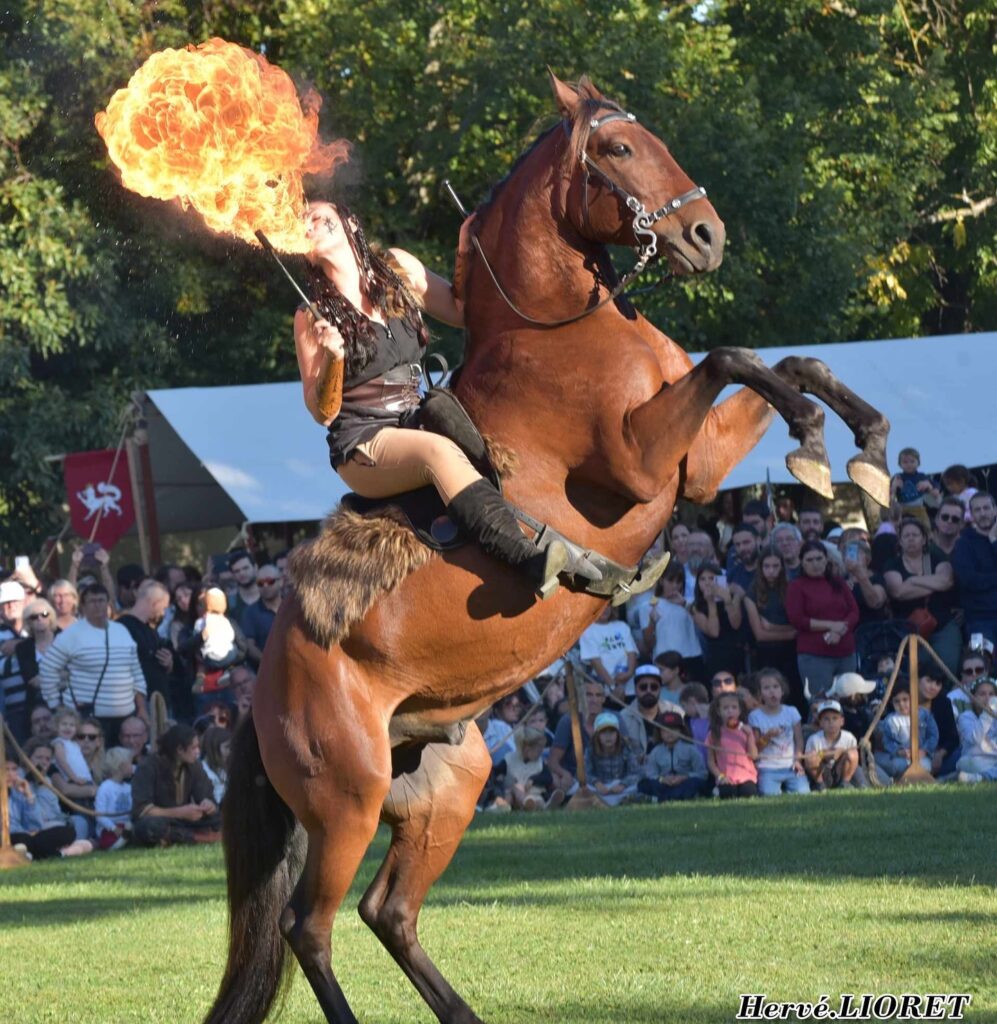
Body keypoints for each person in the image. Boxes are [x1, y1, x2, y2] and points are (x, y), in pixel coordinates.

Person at [296, 200, 597, 597]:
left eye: (323, 215)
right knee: (437, 452)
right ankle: (525, 559)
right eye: (306, 222)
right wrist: (333, 359)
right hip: (363, 441)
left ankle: (579, 550)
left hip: (416, 416)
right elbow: (322, 412)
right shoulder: (312, 315)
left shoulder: (396, 268)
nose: (314, 222)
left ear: (350, 222)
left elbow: (459, 309)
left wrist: (464, 252)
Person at [785, 541, 860, 699]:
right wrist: (831, 625)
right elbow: (797, 619)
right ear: (802, 563)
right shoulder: (796, 586)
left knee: (849, 704)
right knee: (821, 705)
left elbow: (854, 612)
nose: (815, 564)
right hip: (815, 656)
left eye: (819, 559)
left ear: (826, 560)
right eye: (810, 560)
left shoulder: (838, 582)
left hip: (845, 652)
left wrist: (839, 631)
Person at [130, 724, 220, 845]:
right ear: (179, 750)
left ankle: (188, 837)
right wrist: (180, 812)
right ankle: (200, 837)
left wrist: (208, 805)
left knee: (219, 818)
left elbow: (207, 795)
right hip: (162, 820)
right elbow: (142, 810)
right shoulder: (148, 766)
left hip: (186, 822)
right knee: (150, 826)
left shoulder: (194, 765)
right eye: (194, 748)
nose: (198, 752)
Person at [743, 549, 801, 708]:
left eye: (776, 566)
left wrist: (772, 627)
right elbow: (760, 634)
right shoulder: (752, 592)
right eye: (767, 566)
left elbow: (798, 626)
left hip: (791, 654)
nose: (771, 571)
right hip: (765, 655)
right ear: (760, 568)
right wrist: (789, 633)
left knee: (794, 695)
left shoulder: (791, 588)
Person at [5, 756, 92, 859]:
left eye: (14, 769)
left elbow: (34, 825)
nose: (10, 774)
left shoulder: (18, 793)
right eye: (6, 769)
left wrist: (28, 795)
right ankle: (60, 853)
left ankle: (29, 854)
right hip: (11, 837)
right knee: (23, 839)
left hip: (28, 836)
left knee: (67, 832)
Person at [748, 669, 809, 796]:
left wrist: (797, 760)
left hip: (790, 766)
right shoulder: (755, 716)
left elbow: (799, 740)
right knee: (769, 795)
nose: (772, 692)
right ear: (760, 694)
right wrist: (768, 736)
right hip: (767, 767)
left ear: (782, 691)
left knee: (804, 793)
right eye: (766, 688)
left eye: (776, 687)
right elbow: (757, 748)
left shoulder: (791, 712)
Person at [116, 580, 174, 705]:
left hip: (159, 700)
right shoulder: (122, 628)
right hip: (141, 701)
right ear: (154, 603)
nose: (163, 613)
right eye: (163, 607)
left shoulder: (151, 630)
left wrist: (168, 663)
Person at [639, 563, 703, 675]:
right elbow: (648, 644)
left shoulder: (691, 603)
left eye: (679, 582)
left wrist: (685, 605)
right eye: (670, 581)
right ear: (661, 580)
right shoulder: (647, 607)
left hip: (692, 657)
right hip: (664, 661)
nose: (675, 586)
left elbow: (704, 627)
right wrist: (652, 623)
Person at [951, 492, 997, 645]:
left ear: (995, 510)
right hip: (980, 620)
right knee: (982, 665)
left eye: (986, 508)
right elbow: (969, 580)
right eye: (977, 510)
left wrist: (993, 541)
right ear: (971, 514)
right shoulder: (963, 543)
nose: (983, 513)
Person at [548, 679, 606, 794]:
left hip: (607, 778)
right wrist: (565, 774)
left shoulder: (615, 718)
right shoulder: (567, 721)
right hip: (575, 779)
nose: (594, 700)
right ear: (580, 697)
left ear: (603, 699)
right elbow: (552, 761)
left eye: (598, 695)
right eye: (588, 695)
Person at [637, 711, 707, 802]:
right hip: (664, 783)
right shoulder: (655, 751)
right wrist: (663, 779)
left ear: (681, 731)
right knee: (644, 784)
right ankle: (674, 797)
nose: (669, 733)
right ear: (659, 732)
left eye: (673, 729)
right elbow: (651, 774)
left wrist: (683, 777)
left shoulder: (691, 749)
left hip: (684, 782)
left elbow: (702, 773)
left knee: (695, 783)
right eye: (665, 730)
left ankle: (661, 798)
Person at [691, 563, 744, 679]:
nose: (707, 582)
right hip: (715, 657)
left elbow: (736, 624)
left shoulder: (731, 597)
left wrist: (727, 600)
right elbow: (714, 632)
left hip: (736, 653)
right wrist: (711, 602)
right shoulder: (696, 607)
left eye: (711, 578)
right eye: (702, 579)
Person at [875, 684, 938, 779]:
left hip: (922, 755)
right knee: (896, 766)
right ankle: (900, 780)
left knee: (925, 766)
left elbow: (933, 735)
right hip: (901, 757)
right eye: (897, 701)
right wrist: (899, 751)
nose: (901, 704)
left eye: (905, 700)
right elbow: (887, 741)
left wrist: (925, 750)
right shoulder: (891, 720)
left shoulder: (924, 714)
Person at [579, 605, 638, 703]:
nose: (605, 609)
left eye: (607, 605)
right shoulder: (588, 630)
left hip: (630, 688)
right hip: (606, 691)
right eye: (601, 605)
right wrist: (613, 686)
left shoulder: (622, 626)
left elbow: (632, 652)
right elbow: (595, 662)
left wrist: (629, 673)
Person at [707, 691, 759, 799]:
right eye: (725, 708)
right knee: (727, 793)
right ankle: (717, 790)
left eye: (734, 707)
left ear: (739, 711)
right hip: (725, 776)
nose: (730, 711)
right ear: (718, 711)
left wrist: (749, 735)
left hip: (746, 775)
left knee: (748, 793)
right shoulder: (714, 734)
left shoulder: (746, 731)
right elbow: (711, 762)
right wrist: (720, 777)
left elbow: (754, 756)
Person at [582, 711, 641, 806]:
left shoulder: (625, 747)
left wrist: (623, 784)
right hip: (599, 786)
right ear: (597, 735)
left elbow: (636, 772)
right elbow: (584, 772)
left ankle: (606, 801)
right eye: (603, 732)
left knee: (638, 786)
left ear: (617, 734)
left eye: (612, 732)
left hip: (620, 785)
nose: (608, 736)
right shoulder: (590, 749)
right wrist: (596, 782)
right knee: (582, 786)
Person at [803, 699, 864, 790]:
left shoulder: (849, 737)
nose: (831, 722)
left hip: (841, 769)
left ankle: (845, 783)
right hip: (823, 772)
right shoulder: (814, 739)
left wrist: (841, 752)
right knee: (810, 757)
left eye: (835, 718)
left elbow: (854, 755)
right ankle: (820, 785)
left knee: (853, 754)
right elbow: (808, 760)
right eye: (826, 719)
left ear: (842, 721)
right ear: (821, 723)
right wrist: (824, 754)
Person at [0, 578, 29, 740]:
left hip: (38, 704)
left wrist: (19, 645)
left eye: (14, 601)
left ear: (24, 602)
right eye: (5, 603)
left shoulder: (35, 626)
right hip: (11, 709)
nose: (10, 606)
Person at [917, 667, 960, 777]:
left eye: (938, 683)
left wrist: (940, 754)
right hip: (908, 755)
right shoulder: (904, 699)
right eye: (929, 681)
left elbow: (953, 737)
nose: (933, 687)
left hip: (937, 757)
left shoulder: (944, 703)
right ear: (917, 680)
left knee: (960, 755)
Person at [955, 677, 997, 783]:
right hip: (974, 760)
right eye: (982, 694)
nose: (988, 698)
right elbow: (975, 738)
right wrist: (988, 714)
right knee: (970, 764)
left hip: (994, 761)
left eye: (991, 694)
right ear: (973, 698)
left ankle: (979, 778)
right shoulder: (966, 717)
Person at [94, 746, 134, 850]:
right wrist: (114, 828)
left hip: (126, 825)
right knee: (108, 838)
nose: (132, 766)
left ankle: (124, 840)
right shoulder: (105, 787)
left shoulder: (129, 787)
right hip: (110, 828)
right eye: (130, 763)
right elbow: (99, 815)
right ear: (121, 765)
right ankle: (117, 844)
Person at [241, 565, 282, 665]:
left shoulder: (292, 606)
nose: (265, 586)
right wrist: (268, 663)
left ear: (281, 582)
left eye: (270, 581)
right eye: (260, 583)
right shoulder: (250, 613)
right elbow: (249, 645)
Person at [890, 447, 939, 526]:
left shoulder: (922, 476)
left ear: (918, 463)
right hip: (903, 509)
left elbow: (936, 494)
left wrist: (929, 486)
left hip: (919, 508)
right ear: (900, 464)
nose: (909, 464)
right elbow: (889, 499)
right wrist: (894, 487)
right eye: (905, 462)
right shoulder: (897, 477)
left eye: (912, 461)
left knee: (926, 527)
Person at [200, 725, 231, 805]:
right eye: (227, 747)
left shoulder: (223, 769)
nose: (230, 751)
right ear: (213, 748)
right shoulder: (202, 771)